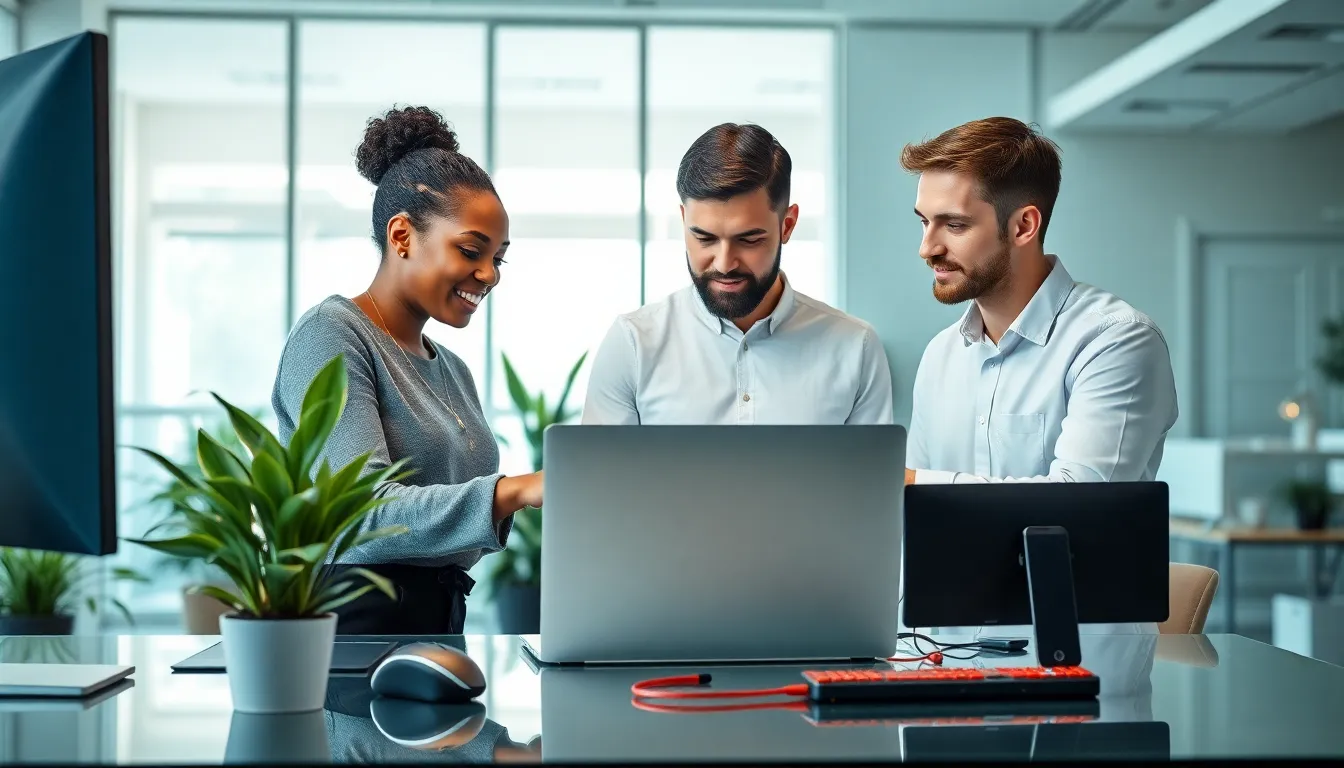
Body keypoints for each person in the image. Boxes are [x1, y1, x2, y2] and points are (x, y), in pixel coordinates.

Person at [899, 117, 1177, 634]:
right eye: (923, 222)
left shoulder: (1116, 340)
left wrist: (913, 486)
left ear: (1024, 225)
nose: (928, 247)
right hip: (944, 660)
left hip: (1080, 674)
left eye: (953, 225)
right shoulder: (941, 355)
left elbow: (1079, 507)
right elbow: (916, 529)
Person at [271, 106, 542, 635]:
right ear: (402, 237)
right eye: (471, 250)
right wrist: (515, 490)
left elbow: (449, 530)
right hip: (354, 633)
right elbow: (358, 514)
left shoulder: (454, 370)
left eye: (499, 259)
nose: (488, 275)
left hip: (436, 625)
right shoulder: (333, 334)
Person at [581, 122, 893, 425]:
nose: (724, 263)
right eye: (704, 238)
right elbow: (593, 476)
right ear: (683, 220)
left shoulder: (855, 348)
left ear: (787, 225)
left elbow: (873, 479)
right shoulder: (634, 344)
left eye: (748, 239)